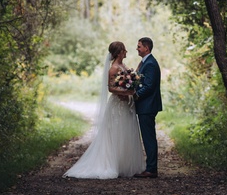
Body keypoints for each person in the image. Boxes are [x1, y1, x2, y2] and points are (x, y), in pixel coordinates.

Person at [62, 41, 145, 179]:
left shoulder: (123, 65)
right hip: (117, 105)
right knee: (116, 133)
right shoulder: (113, 69)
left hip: (125, 105)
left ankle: (124, 164)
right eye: (124, 50)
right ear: (119, 52)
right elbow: (111, 88)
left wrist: (132, 82)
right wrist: (127, 92)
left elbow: (128, 79)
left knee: (126, 132)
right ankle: (111, 164)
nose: (126, 52)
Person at [133, 37, 162, 179]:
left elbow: (149, 86)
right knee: (148, 137)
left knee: (149, 138)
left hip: (148, 106)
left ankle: (151, 169)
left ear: (146, 48)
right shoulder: (146, 62)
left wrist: (135, 95)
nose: (137, 49)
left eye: (139, 46)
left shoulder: (150, 64)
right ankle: (151, 168)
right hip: (146, 106)